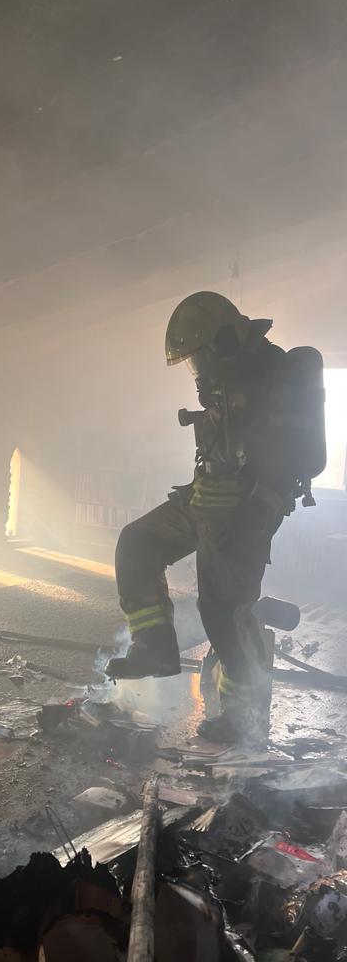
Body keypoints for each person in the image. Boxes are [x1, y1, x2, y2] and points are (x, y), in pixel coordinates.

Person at [106, 291, 324, 744]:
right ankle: (155, 649)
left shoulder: (277, 380)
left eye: (198, 359)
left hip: (247, 514)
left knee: (222, 614)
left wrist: (248, 518)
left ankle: (242, 719)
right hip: (206, 501)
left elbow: (284, 462)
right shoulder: (228, 384)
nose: (197, 372)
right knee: (137, 544)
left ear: (223, 341)